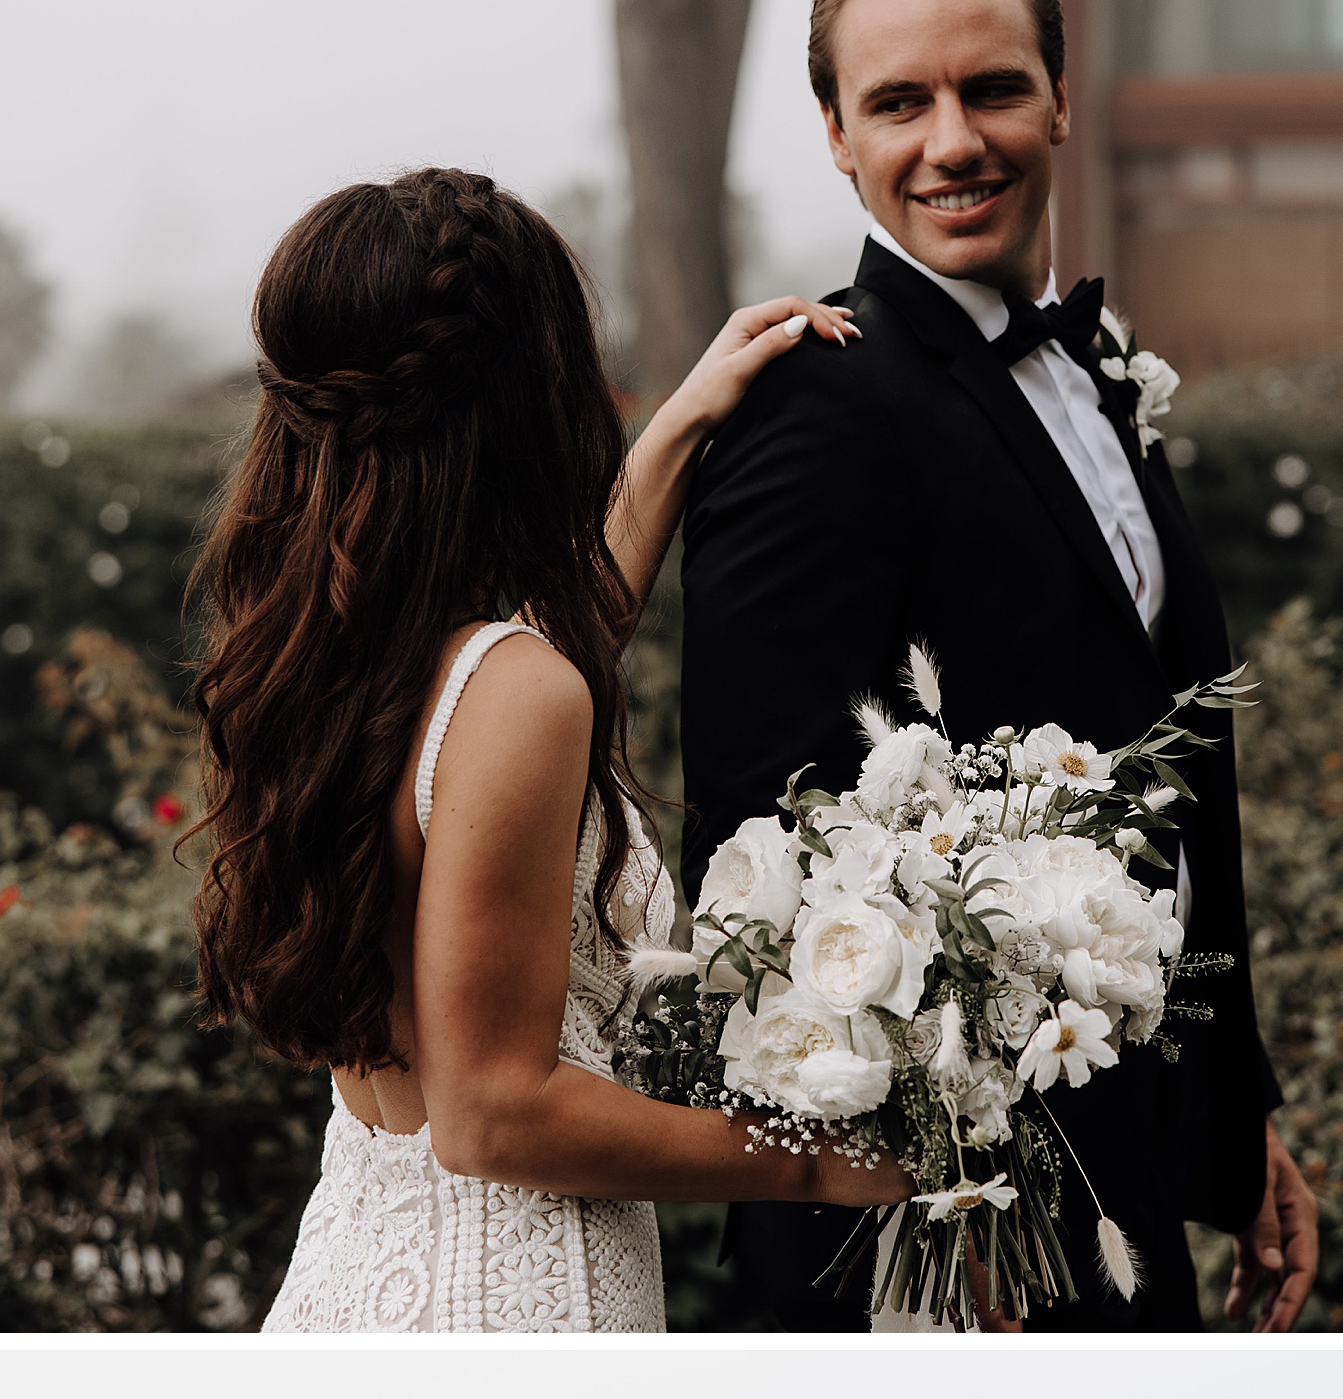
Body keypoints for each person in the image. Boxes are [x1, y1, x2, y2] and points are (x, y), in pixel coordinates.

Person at [679, 0, 1321, 1335]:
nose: (951, 140)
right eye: (898, 102)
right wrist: (948, 1192)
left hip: (1128, 1151)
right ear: (837, 135)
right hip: (942, 1240)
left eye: (992, 89)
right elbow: (764, 833)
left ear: (1061, 98)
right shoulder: (816, 409)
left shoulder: (1096, 373)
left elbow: (1179, 787)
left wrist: (1237, 1122)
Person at [187, 165, 903, 1332]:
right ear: (531, 404)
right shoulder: (509, 691)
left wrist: (678, 428)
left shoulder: (319, 649)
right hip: (513, 1314)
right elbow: (493, 1115)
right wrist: (812, 1158)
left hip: (351, 1283)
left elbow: (533, 669)